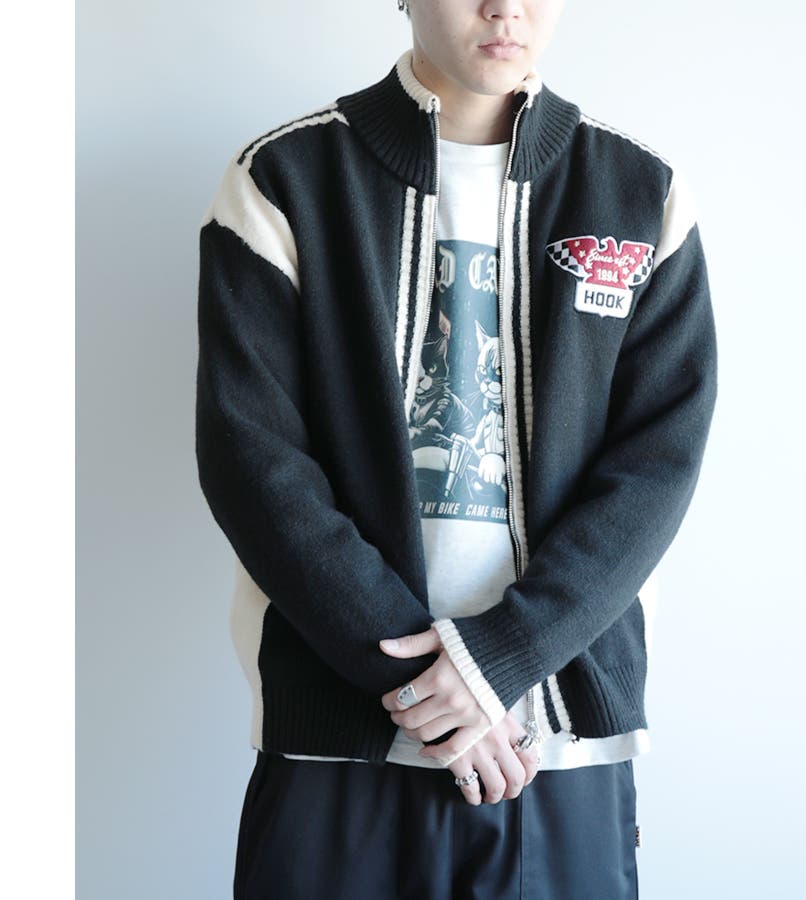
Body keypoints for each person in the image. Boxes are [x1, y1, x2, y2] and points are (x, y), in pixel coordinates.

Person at [194, 1, 717, 897]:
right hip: (338, 734)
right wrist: (422, 688)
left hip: (555, 741)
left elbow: (655, 471)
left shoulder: (640, 194)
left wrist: (500, 658)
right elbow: (253, 461)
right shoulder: (284, 178)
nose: (504, 6)